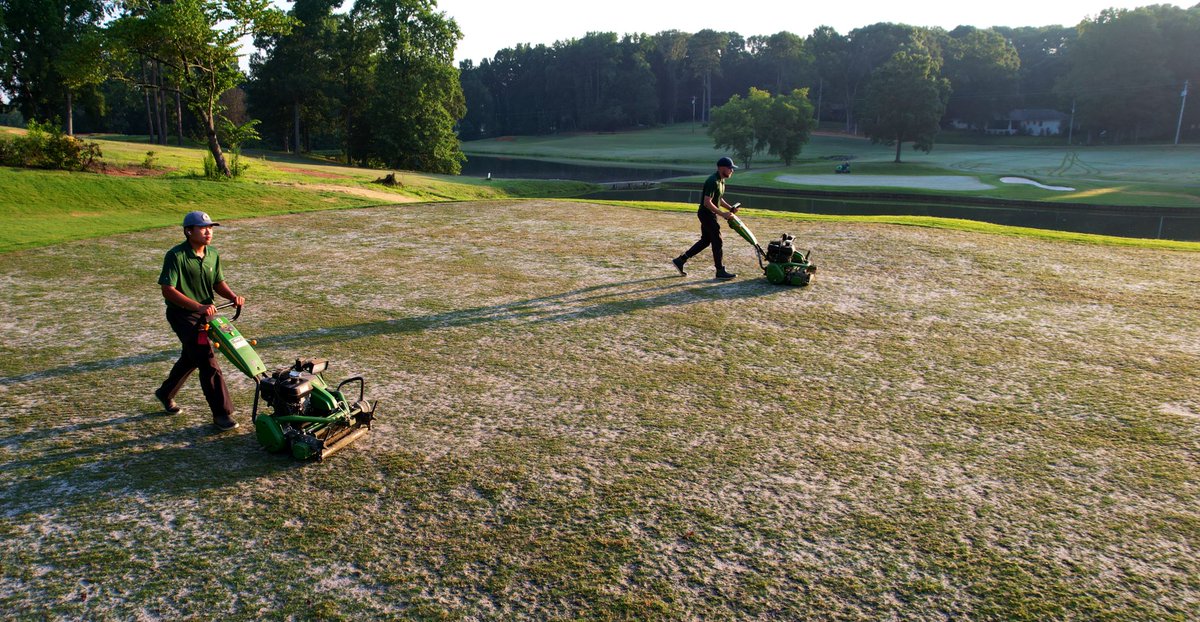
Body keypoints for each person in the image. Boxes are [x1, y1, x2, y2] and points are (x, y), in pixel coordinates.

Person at [153, 211, 245, 431]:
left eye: (211, 228)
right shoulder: (176, 256)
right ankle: (222, 414)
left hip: (207, 314)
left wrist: (232, 297)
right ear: (188, 231)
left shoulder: (212, 254)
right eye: (203, 228)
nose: (208, 232)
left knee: (191, 357)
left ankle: (165, 393)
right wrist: (197, 306)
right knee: (207, 361)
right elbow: (168, 290)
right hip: (183, 316)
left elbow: (218, 282)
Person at [672, 156, 741, 279]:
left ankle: (680, 260)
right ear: (722, 168)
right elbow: (707, 202)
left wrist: (730, 208)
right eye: (730, 168)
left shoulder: (721, 181)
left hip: (710, 214)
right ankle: (720, 271)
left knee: (705, 241)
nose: (732, 171)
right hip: (706, 214)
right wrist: (722, 214)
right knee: (717, 240)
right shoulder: (712, 181)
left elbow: (718, 198)